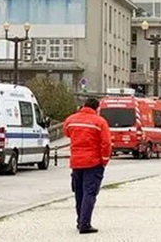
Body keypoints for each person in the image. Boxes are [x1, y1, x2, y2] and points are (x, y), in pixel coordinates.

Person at [62, 97, 111, 234]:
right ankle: (85, 224)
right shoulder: (100, 122)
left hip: (76, 162)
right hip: (93, 162)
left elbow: (65, 132)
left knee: (79, 193)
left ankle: (80, 221)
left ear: (83, 106)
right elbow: (106, 143)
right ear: (97, 108)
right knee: (89, 192)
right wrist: (104, 160)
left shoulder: (71, 119)